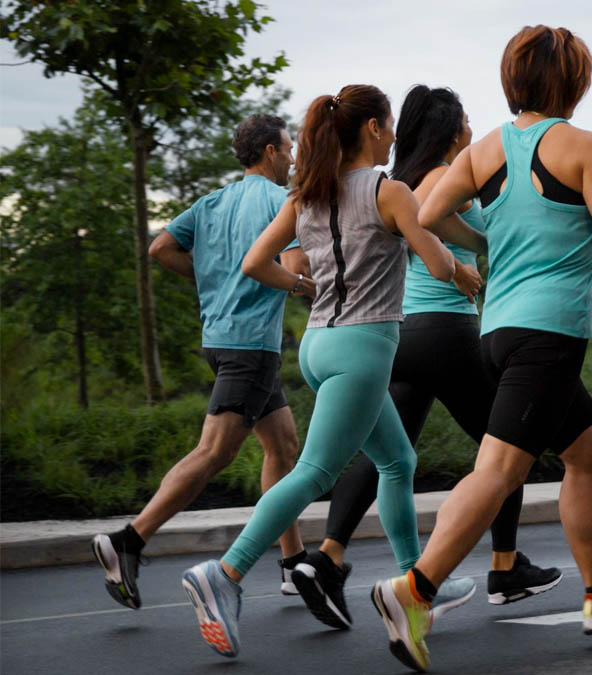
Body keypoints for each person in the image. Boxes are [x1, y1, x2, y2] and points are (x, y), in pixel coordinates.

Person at [371, 26, 592, 671]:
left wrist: (485, 245)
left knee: (588, 453)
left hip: (498, 331)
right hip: (548, 336)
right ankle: (412, 591)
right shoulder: (585, 146)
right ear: (576, 81)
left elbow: (425, 214)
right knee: (500, 471)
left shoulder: (484, 151)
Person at [180, 84, 484, 659]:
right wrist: (460, 269)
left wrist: (305, 285)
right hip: (364, 346)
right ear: (372, 128)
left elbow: (254, 263)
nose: (395, 134)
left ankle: (415, 582)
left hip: (317, 346)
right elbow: (440, 260)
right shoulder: (387, 191)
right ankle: (224, 573)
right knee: (315, 472)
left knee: (398, 460)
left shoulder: (307, 194)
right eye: (390, 124)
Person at [293, 85, 561, 632]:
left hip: (402, 336)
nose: (471, 128)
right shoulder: (442, 181)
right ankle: (505, 569)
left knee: (389, 454)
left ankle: (327, 557)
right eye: (464, 120)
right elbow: (481, 235)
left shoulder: (404, 181)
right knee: (506, 446)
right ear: (449, 130)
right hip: (445, 332)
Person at [91, 114, 307, 610]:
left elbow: (161, 247)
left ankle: (294, 564)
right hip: (251, 345)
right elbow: (296, 268)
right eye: (288, 150)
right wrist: (306, 281)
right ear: (270, 152)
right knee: (215, 452)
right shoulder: (281, 202)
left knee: (283, 445)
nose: (293, 158)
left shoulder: (212, 202)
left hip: (221, 340)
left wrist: (212, 279)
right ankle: (129, 539)